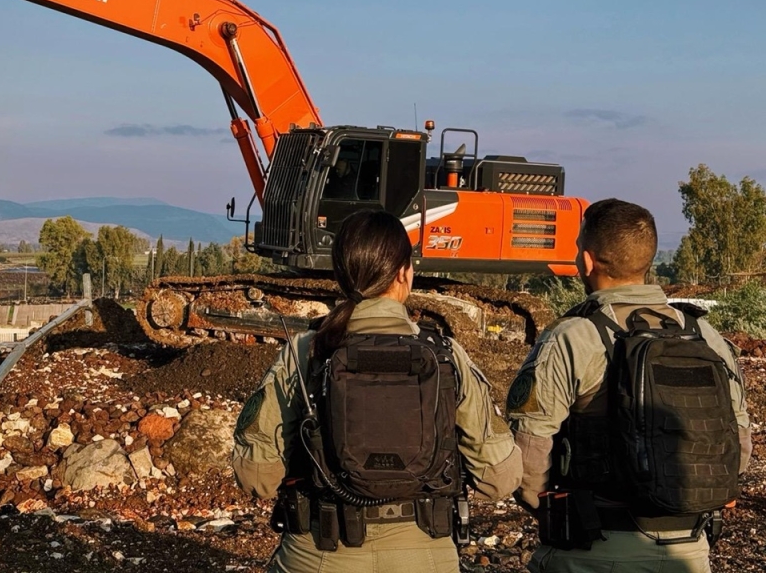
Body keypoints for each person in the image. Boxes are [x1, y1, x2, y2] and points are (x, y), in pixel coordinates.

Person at [232, 209, 522, 572]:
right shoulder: (446, 356)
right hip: (426, 555)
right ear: (403, 272)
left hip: (319, 554)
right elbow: (500, 479)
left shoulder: (305, 352)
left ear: (339, 275)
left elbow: (255, 477)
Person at [507, 198, 753, 573]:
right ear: (647, 260)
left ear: (587, 261)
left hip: (594, 550)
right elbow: (739, 445)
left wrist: (558, 511)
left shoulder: (575, 336)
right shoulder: (704, 335)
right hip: (689, 553)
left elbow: (527, 458)